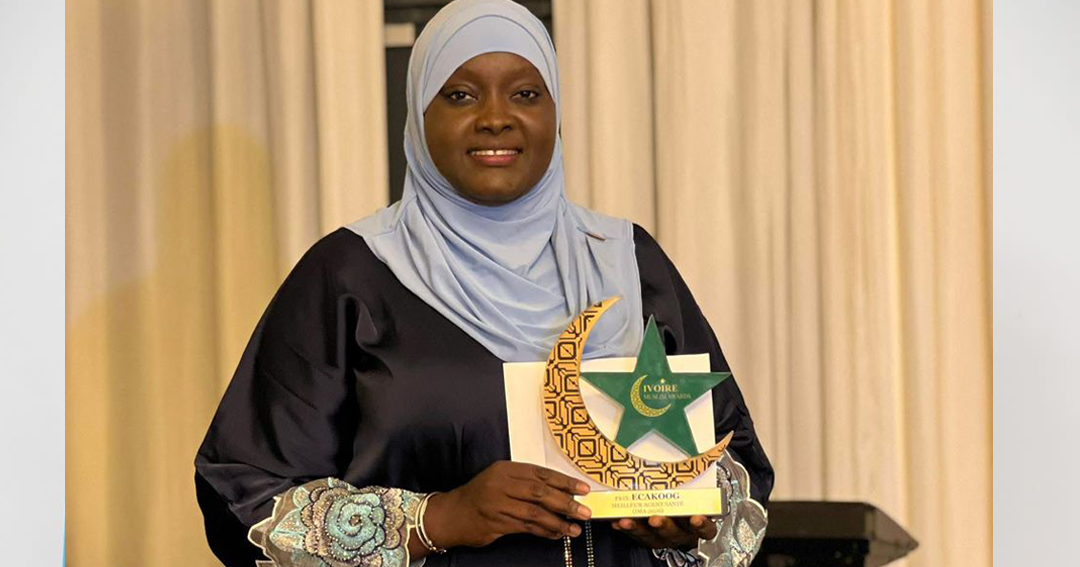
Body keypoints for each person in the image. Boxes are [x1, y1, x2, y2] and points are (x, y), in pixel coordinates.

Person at [194, 1, 773, 566]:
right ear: (419, 113)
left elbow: (734, 467)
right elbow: (245, 492)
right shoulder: (352, 273)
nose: (496, 117)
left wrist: (689, 521)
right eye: (461, 95)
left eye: (526, 94)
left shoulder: (628, 260)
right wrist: (437, 519)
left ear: (556, 112)